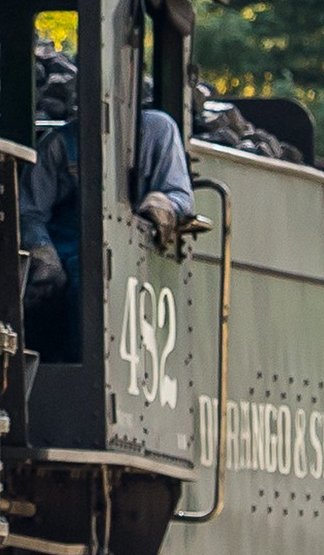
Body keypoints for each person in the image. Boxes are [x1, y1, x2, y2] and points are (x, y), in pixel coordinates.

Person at [17, 47, 204, 358]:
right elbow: (30, 210)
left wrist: (162, 204)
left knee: (89, 278)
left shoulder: (159, 130)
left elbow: (180, 194)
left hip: (130, 252)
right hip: (66, 247)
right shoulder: (59, 144)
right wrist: (42, 251)